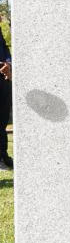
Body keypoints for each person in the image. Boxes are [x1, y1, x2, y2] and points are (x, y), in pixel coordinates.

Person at [0, 25, 12, 171]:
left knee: (2, 120)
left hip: (4, 77)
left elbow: (5, 49)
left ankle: (3, 155)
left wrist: (9, 64)